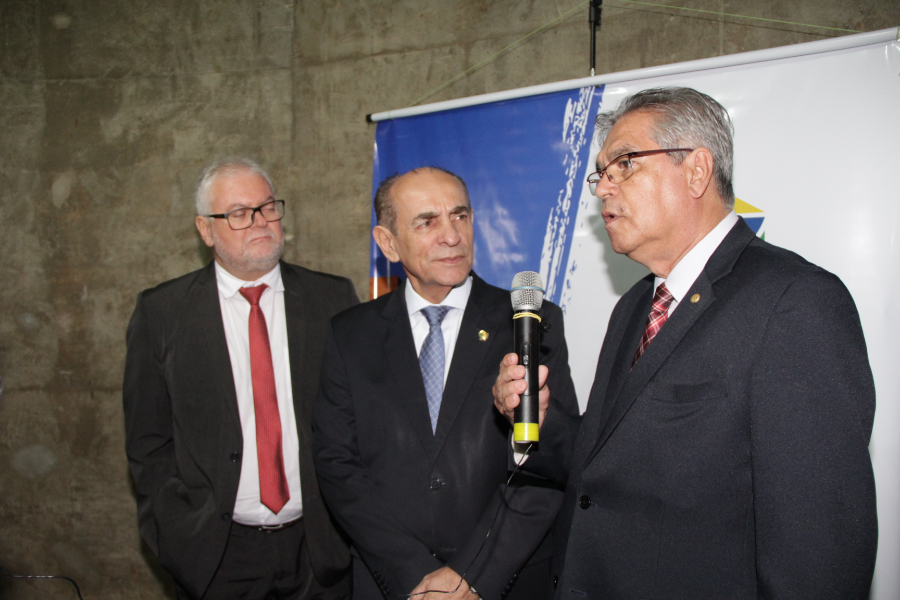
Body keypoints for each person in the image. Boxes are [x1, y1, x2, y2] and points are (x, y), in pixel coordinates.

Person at [493, 87, 878, 599]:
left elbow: (820, 550)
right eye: (600, 173)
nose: (603, 188)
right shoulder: (636, 305)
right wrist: (537, 420)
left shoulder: (794, 302)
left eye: (624, 164)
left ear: (697, 171)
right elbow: (606, 465)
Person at [313, 167, 578, 600]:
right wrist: (415, 574)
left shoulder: (529, 323)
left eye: (460, 216)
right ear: (388, 243)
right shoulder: (350, 335)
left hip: (501, 582)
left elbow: (547, 466)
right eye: (427, 222)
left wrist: (472, 575)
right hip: (394, 583)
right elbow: (338, 466)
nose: (452, 236)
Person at [123, 158, 358, 600]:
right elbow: (147, 441)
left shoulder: (332, 298)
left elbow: (360, 422)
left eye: (267, 207)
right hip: (216, 556)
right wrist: (172, 532)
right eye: (238, 213)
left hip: (321, 551)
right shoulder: (162, 313)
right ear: (205, 229)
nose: (260, 221)